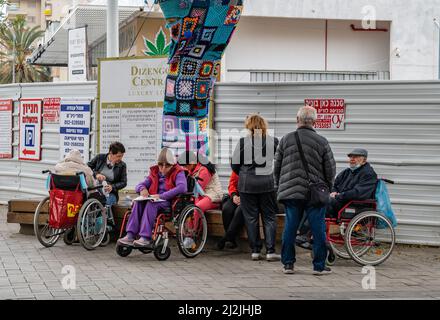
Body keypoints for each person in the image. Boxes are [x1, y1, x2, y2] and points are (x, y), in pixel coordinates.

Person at [274, 106, 336, 275]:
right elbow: (330, 169)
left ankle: (288, 264)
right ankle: (319, 266)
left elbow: (276, 167)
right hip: (314, 194)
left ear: (297, 120)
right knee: (318, 228)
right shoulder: (322, 141)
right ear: (315, 122)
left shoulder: (286, 140)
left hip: (290, 193)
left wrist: (279, 186)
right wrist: (327, 188)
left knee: (290, 227)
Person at [231, 114, 280, 262]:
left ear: (249, 126)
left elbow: (234, 165)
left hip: (247, 185)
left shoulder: (242, 142)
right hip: (267, 183)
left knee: (251, 218)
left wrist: (245, 172)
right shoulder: (273, 141)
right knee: (269, 217)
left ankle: (255, 251)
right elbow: (280, 161)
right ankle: (270, 251)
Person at [117, 148, 187, 248]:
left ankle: (145, 237)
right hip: (154, 199)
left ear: (172, 164)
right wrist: (142, 189)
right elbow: (140, 185)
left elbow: (182, 187)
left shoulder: (178, 172)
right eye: (160, 165)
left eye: (167, 165)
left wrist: (161, 196)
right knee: (138, 202)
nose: (163, 168)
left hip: (168, 201)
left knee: (151, 203)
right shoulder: (154, 172)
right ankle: (130, 235)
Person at [216, 171, 261, 250]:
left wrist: (244, 198)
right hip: (237, 195)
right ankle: (231, 240)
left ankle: (226, 237)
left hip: (250, 197)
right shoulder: (237, 168)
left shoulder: (255, 169)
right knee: (227, 209)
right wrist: (234, 196)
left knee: (239, 211)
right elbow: (232, 184)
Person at [327, 148, 378, 218]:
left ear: (364, 160)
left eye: (356, 157)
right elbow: (335, 185)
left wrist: (339, 196)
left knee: (324, 203)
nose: (352, 159)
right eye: (351, 156)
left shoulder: (368, 174)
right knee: (319, 199)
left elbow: (358, 193)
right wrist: (334, 192)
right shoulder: (346, 172)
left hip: (355, 205)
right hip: (342, 201)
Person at [87, 142, 127, 206]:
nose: (120, 158)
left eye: (122, 156)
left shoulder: (122, 165)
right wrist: (96, 174)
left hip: (111, 193)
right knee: (90, 202)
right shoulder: (99, 158)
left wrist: (112, 187)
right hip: (95, 190)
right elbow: (87, 168)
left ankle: (103, 216)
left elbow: (124, 182)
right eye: (118, 156)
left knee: (106, 204)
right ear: (111, 153)